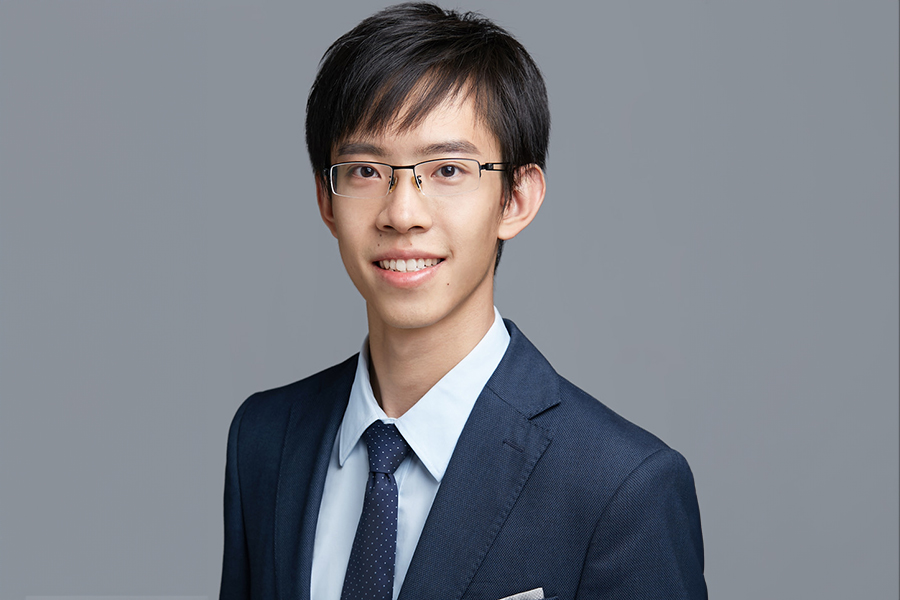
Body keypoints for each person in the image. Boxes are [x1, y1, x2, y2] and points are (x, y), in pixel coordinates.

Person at [219, 3, 707, 599]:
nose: (403, 214)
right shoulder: (265, 439)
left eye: (447, 169)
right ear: (327, 200)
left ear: (516, 199)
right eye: (367, 171)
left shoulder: (618, 486)